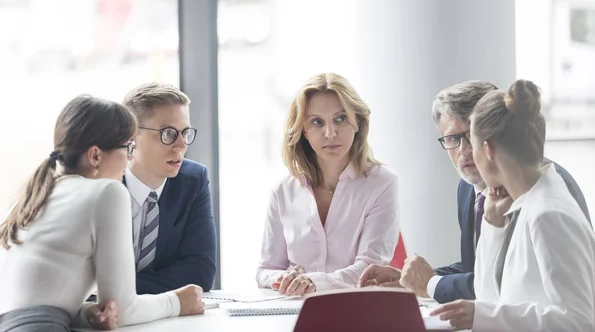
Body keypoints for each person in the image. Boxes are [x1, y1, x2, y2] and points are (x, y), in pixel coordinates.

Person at [358, 80, 590, 303]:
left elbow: (513, 282)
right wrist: (411, 280)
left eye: (471, 136)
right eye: (452, 138)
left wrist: (432, 284)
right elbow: (479, 267)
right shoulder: (468, 188)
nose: (465, 150)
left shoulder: (534, 188)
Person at [0, 95, 205, 332]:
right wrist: (177, 302)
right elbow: (124, 309)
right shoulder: (107, 191)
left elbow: (31, 298)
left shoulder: (34, 195)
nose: (130, 159)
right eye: (128, 148)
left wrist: (86, 312)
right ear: (95, 155)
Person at [430, 79, 595, 331]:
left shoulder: (548, 214)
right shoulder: (521, 203)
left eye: (471, 143)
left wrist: (483, 316)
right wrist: (493, 227)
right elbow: (490, 298)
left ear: (487, 149)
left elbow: (578, 321)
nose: (465, 153)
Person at [256, 73, 401, 296]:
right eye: (317, 122)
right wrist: (284, 278)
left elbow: (369, 269)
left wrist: (313, 282)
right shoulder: (283, 192)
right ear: (304, 130)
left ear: (357, 122)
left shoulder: (382, 183)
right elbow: (266, 270)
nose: (330, 133)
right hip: (293, 313)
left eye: (341, 118)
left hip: (356, 312)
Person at [122, 83, 217, 294]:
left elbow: (200, 272)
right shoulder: (104, 182)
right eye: (168, 133)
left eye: (185, 133)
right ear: (132, 137)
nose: (182, 145)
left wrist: (117, 288)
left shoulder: (193, 181)